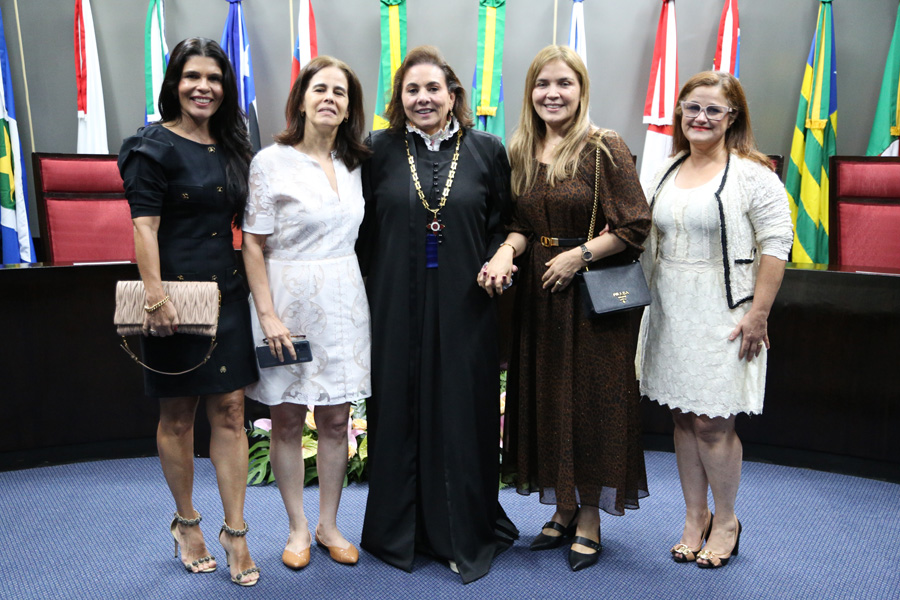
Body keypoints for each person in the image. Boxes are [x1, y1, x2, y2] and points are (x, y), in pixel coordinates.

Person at [481, 45, 651, 572]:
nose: (552, 94)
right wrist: (506, 251)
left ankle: (590, 517)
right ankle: (562, 508)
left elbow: (636, 224)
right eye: (542, 84)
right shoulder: (520, 149)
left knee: (592, 402)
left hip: (592, 297)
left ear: (581, 90)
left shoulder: (604, 147)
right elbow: (521, 225)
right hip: (539, 295)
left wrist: (580, 256)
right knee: (550, 398)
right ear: (530, 91)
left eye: (564, 84)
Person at [357, 45, 518, 584]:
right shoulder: (376, 150)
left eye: (433, 88)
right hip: (393, 303)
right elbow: (359, 232)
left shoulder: (487, 149)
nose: (423, 98)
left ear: (453, 95)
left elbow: (506, 224)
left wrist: (502, 255)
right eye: (412, 89)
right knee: (397, 406)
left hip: (466, 304)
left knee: (462, 411)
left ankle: (461, 530)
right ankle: (399, 531)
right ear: (399, 98)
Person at [118, 38, 259, 587]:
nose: (204, 87)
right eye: (192, 76)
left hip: (227, 294)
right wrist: (155, 297)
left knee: (231, 412)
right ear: (174, 83)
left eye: (215, 78)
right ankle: (187, 523)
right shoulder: (150, 145)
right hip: (174, 300)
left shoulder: (233, 145)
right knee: (178, 416)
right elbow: (144, 226)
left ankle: (236, 531)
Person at [638, 71, 793, 569]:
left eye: (712, 109)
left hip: (726, 314)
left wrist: (759, 314)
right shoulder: (663, 170)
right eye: (692, 107)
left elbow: (777, 244)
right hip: (669, 310)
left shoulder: (754, 174)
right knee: (683, 417)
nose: (700, 118)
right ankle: (694, 517)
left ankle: (726, 521)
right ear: (680, 113)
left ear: (732, 117)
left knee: (712, 423)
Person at [242, 56, 371, 570]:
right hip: (287, 303)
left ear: (349, 108)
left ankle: (329, 525)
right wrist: (268, 315)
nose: (330, 99)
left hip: (345, 301)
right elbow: (252, 244)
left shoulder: (356, 162)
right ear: (301, 99)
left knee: (338, 419)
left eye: (340, 92)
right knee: (288, 418)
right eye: (320, 89)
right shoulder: (270, 162)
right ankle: (297, 527)